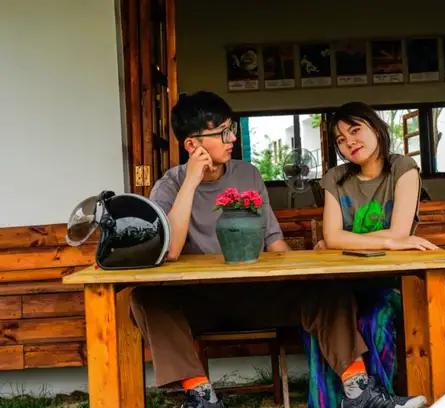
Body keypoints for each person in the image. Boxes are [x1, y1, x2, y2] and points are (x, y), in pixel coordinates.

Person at [130, 92, 416, 408]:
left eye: (231, 129)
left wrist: (304, 269)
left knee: (328, 289)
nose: (232, 138)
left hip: (257, 294)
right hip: (201, 304)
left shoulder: (247, 174)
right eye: (223, 133)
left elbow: (273, 240)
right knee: (145, 298)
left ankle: (358, 392)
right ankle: (202, 398)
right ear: (191, 145)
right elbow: (170, 251)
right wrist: (191, 181)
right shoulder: (169, 186)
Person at [317, 102, 438, 408]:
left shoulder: (402, 169)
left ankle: (382, 399)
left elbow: (398, 232)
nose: (349, 142)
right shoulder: (335, 178)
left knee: (375, 319)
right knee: (323, 315)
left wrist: (342, 240)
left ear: (376, 127)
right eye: (341, 139)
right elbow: (333, 237)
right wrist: (390, 241)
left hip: (391, 283)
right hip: (342, 284)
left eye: (355, 130)